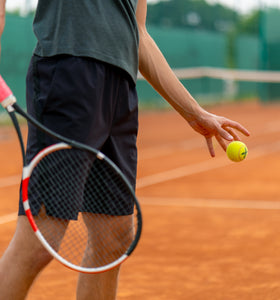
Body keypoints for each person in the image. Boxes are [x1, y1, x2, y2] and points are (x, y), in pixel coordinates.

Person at [0, 0, 250, 299]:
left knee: (114, 238)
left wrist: (194, 113)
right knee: (42, 239)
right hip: (69, 73)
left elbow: (139, 34)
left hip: (121, 85)